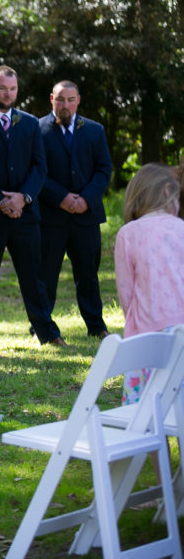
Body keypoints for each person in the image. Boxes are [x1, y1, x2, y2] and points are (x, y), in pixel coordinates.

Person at [0, 66, 65, 347]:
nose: (9, 94)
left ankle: (47, 333)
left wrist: (22, 197)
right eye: (3, 89)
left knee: (34, 277)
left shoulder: (29, 123)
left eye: (13, 89)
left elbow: (40, 166)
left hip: (24, 212)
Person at [37, 80, 112, 339]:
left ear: (78, 100)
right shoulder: (37, 129)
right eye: (60, 99)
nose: (65, 104)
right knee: (46, 275)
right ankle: (41, 327)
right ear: (51, 99)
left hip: (86, 216)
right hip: (51, 216)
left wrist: (85, 200)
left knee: (88, 275)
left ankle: (96, 326)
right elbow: (36, 171)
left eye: (70, 99)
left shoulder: (94, 130)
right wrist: (61, 197)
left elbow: (104, 169)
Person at [113, 164, 184, 403]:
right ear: (166, 192)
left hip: (145, 335)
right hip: (182, 330)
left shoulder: (128, 233)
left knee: (143, 411)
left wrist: (130, 321)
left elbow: (126, 292)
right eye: (177, 198)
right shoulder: (182, 228)